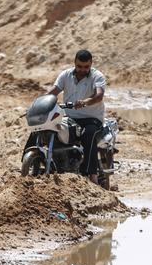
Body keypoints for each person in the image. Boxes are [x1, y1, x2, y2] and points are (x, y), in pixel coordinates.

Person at [46, 49, 107, 184]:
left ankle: (92, 175)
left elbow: (99, 96)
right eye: (79, 66)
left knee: (89, 134)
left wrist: (85, 102)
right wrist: (42, 102)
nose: (82, 70)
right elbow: (54, 91)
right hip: (70, 118)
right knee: (51, 129)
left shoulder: (97, 76)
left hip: (92, 119)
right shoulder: (65, 75)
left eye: (86, 67)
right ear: (74, 62)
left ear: (91, 64)